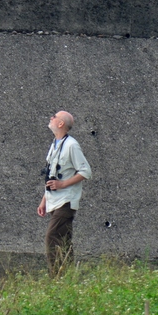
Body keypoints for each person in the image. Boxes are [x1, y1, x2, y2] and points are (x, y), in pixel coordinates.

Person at [37, 110, 92, 275]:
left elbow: (86, 172)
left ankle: (56, 276)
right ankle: (68, 276)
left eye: (54, 116)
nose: (50, 118)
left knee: (51, 237)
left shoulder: (71, 145)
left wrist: (63, 184)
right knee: (64, 240)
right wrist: (43, 201)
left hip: (66, 201)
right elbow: (51, 175)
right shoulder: (55, 143)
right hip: (54, 200)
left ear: (61, 123)